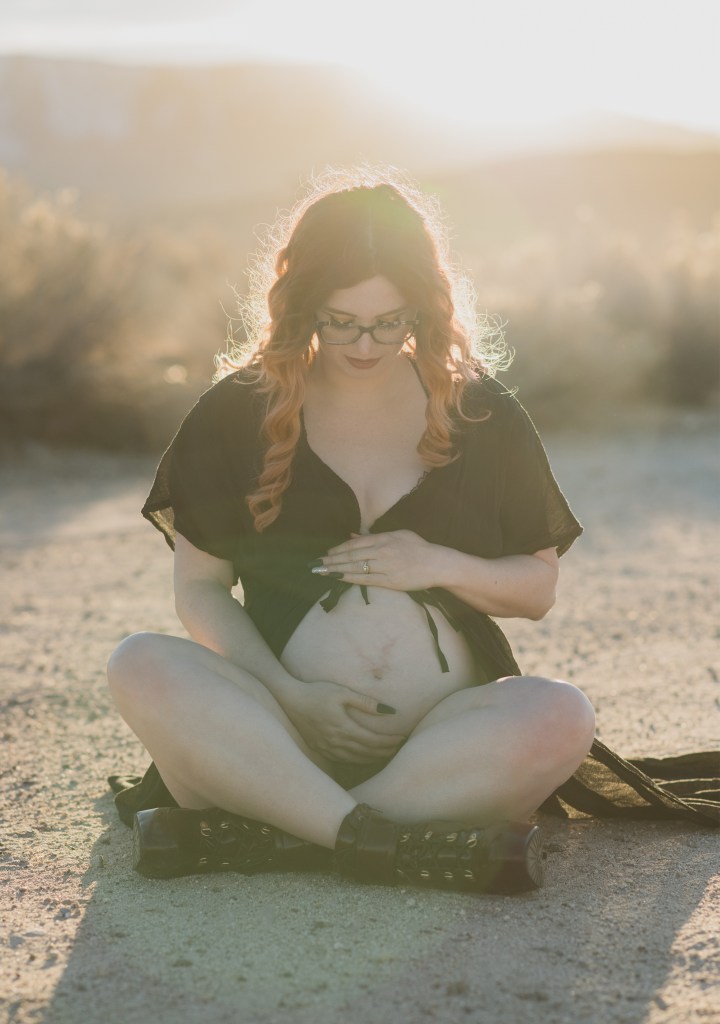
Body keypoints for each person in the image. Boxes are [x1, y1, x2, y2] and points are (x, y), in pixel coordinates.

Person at [106, 171, 719, 893]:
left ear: (425, 309)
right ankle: (379, 841)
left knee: (560, 714)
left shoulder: (482, 413)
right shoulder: (236, 412)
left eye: (390, 320)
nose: (365, 343)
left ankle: (285, 831)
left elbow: (536, 588)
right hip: (277, 731)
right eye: (340, 320)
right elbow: (200, 591)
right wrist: (290, 694)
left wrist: (436, 562)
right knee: (139, 662)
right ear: (300, 305)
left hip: (439, 748)